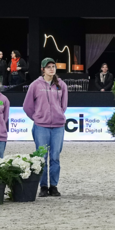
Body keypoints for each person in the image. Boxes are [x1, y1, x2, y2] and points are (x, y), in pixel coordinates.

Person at [23, 58, 69, 198]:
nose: (51, 69)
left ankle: (53, 186)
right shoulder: (35, 85)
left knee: (55, 157)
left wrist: (58, 114)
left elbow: (63, 105)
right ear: (43, 69)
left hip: (58, 126)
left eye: (53, 66)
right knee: (42, 157)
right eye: (48, 67)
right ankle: (43, 186)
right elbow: (27, 106)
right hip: (41, 127)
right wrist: (37, 117)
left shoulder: (61, 85)